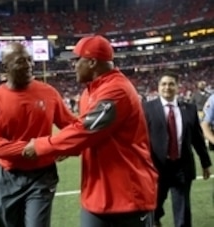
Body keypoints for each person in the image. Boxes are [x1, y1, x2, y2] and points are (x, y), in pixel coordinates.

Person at [22, 35, 158, 227]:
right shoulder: (89, 92)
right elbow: (88, 135)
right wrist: (68, 148)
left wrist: (41, 146)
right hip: (96, 194)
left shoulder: (117, 90)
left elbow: (85, 131)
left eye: (77, 60)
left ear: (92, 62)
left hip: (127, 195)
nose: (73, 66)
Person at [0, 42, 76, 227]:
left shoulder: (49, 92)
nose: (29, 65)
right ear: (5, 67)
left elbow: (71, 125)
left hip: (42, 175)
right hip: (8, 177)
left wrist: (67, 146)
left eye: (30, 60)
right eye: (21, 61)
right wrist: (38, 147)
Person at [143, 72, 211, 227]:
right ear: (158, 87)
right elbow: (140, 139)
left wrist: (205, 162)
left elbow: (197, 139)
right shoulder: (147, 109)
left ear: (178, 87)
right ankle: (155, 220)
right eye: (164, 84)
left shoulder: (189, 109)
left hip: (182, 167)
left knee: (183, 210)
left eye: (171, 84)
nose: (167, 87)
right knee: (154, 208)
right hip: (157, 168)